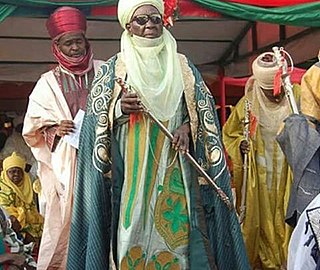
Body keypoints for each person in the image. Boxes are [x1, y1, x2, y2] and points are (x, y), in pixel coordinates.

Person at [67, 0, 249, 269]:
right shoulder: (113, 69)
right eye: (141, 20)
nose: (150, 24)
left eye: (155, 18)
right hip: (132, 173)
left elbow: (200, 110)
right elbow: (95, 124)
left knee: (179, 233)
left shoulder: (183, 66)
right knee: (132, 227)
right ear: (128, 26)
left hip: (174, 165)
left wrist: (188, 128)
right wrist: (118, 109)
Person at [22, 6, 104, 270]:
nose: (75, 48)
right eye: (68, 43)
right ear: (57, 47)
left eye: (79, 41)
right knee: (71, 223)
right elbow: (31, 129)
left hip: (106, 162)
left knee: (107, 219)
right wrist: (54, 129)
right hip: (68, 169)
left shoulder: (106, 71)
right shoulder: (47, 82)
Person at [223, 52, 300, 269]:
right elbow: (230, 133)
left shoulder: (297, 97)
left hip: (289, 174)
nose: (276, 97)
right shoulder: (248, 103)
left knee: (288, 219)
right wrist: (240, 145)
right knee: (261, 222)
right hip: (260, 178)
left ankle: (290, 261)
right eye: (270, 93)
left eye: (278, 92)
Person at [0, 152, 43, 246]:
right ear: (5, 173)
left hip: (30, 224)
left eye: (19, 171)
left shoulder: (26, 184)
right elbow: (8, 213)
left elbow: (32, 209)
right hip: (13, 226)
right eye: (12, 171)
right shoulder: (3, 189)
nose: (16, 174)